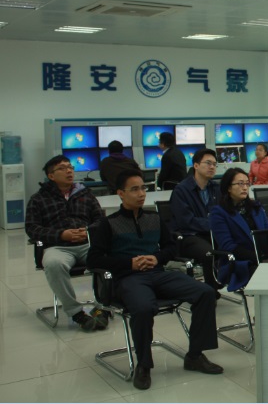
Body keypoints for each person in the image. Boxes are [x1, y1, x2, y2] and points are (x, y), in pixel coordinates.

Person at [87, 170, 222, 391]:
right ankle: (144, 365)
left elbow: (171, 248)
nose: (141, 193)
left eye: (143, 188)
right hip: (128, 278)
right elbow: (93, 259)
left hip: (158, 274)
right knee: (142, 307)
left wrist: (157, 257)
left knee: (205, 292)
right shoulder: (108, 223)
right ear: (121, 193)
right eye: (134, 189)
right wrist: (129, 263)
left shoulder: (154, 218)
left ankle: (195, 355)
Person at [25, 155, 109, 331]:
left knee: (111, 257)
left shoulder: (85, 194)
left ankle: (103, 306)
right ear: (51, 176)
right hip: (58, 247)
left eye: (70, 167)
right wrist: (61, 235)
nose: (69, 171)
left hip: (87, 244)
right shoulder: (38, 199)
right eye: (62, 168)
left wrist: (88, 231)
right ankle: (76, 312)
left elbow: (101, 220)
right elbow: (32, 228)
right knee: (54, 264)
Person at [209, 168, 268, 290]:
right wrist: (258, 258)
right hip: (239, 263)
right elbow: (228, 246)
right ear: (228, 188)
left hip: (264, 258)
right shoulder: (219, 213)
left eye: (247, 183)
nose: (245, 187)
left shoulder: (256, 207)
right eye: (240, 184)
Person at [170, 149, 220, 292]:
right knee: (208, 252)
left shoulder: (216, 188)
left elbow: (222, 214)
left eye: (214, 164)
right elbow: (186, 221)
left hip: (210, 234)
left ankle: (228, 281)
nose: (212, 167)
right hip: (188, 236)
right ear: (196, 165)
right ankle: (211, 291)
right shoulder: (181, 190)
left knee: (235, 243)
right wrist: (213, 224)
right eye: (208, 163)